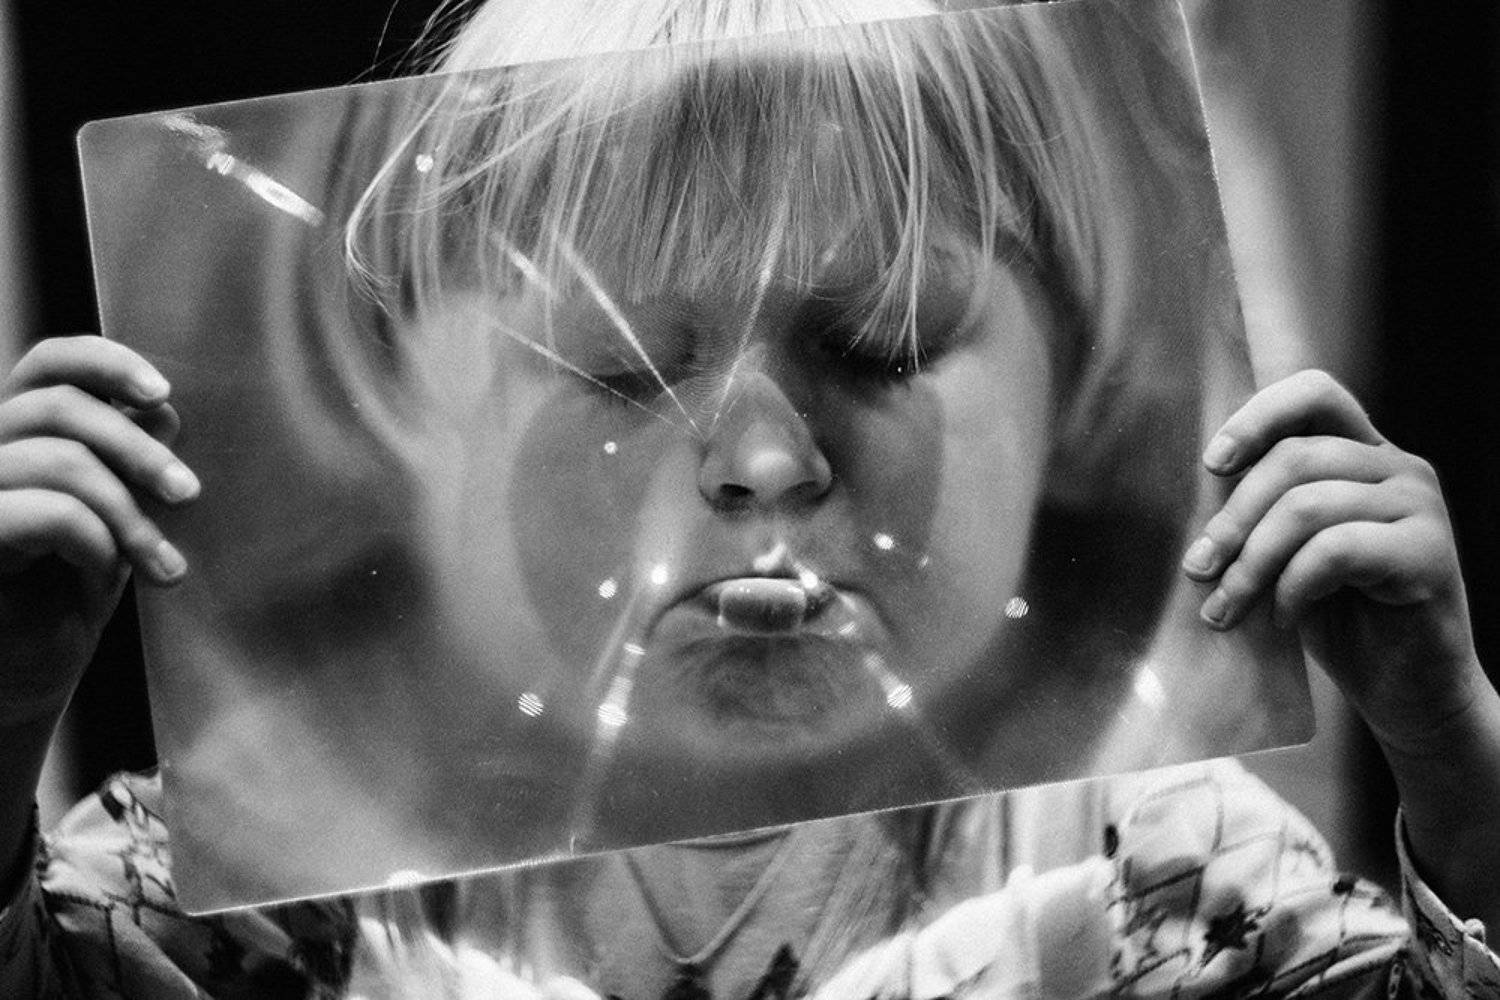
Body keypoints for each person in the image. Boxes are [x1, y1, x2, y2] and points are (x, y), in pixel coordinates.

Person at [4, 0, 1500, 996]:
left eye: (884, 341)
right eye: (617, 365)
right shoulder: (260, 879)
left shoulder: (1163, 871)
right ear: (421, 424)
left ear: (1072, 393)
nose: (765, 463)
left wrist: (1459, 768)